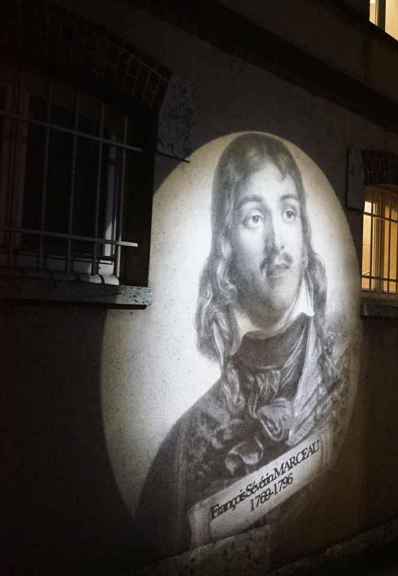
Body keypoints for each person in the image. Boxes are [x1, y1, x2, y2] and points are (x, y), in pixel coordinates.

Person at [137, 133, 340, 553]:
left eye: (288, 212)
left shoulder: (338, 360)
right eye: (253, 217)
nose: (277, 242)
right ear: (226, 245)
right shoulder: (188, 440)